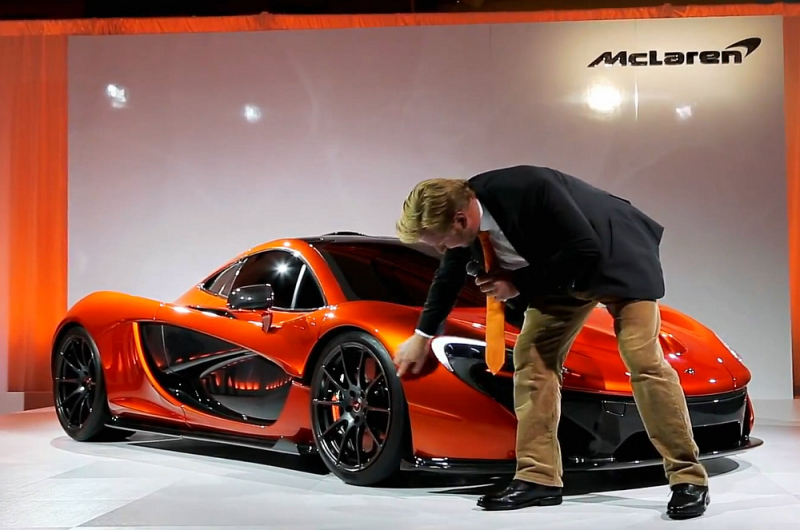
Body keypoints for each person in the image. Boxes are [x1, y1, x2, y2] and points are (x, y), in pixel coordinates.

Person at [393, 165, 710, 519]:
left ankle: (688, 478)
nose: (440, 248)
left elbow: (584, 249)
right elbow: (447, 278)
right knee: (532, 358)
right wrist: (422, 336)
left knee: (643, 361)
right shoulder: (462, 223)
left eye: (439, 241)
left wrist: (517, 284)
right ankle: (538, 477)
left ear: (460, 219)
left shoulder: (530, 188)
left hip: (615, 257)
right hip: (558, 277)